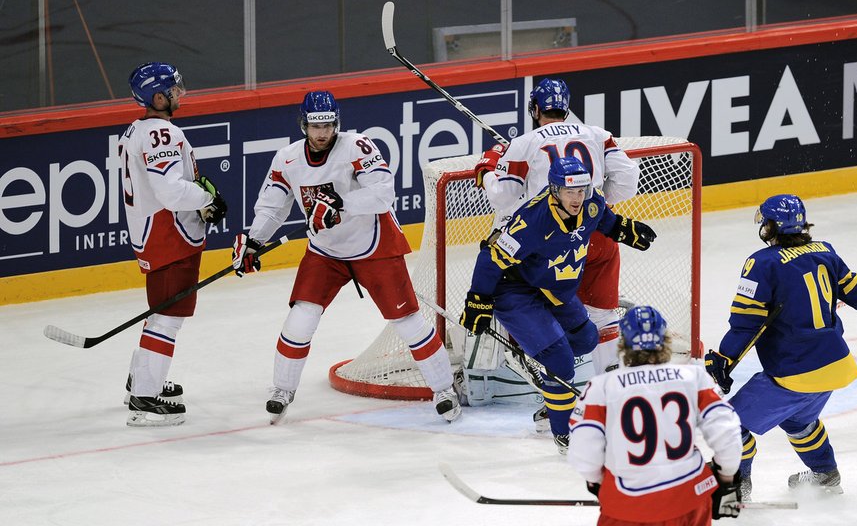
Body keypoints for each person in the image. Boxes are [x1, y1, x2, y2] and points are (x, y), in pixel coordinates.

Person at [234, 91, 460, 425]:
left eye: (327, 125)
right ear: (304, 124)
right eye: (315, 125)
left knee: (407, 322)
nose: (322, 132)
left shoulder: (357, 147)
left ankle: (443, 390)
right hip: (326, 250)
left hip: (373, 245)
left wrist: (341, 204)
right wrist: (254, 240)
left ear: (337, 123)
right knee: (301, 318)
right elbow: (272, 206)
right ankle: (282, 389)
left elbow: (383, 195)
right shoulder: (287, 159)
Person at [704, 194, 857, 499]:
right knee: (799, 421)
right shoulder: (826, 252)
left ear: (770, 227)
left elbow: (747, 322)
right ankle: (825, 474)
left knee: (730, 423)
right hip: (835, 366)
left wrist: (724, 357)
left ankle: (734, 487)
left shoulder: (761, 263)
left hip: (795, 371)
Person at [460, 156, 656, 453]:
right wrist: (478, 301)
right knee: (561, 360)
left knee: (587, 338)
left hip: (552, 288)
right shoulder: (532, 222)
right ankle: (565, 434)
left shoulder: (590, 205)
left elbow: (604, 219)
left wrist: (625, 229)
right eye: (569, 191)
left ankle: (544, 368)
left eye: (582, 190)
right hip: (514, 291)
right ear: (554, 190)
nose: (577, 198)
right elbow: (490, 258)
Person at [475, 77, 640, 405]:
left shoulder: (523, 143)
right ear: (566, 107)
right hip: (597, 237)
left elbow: (503, 198)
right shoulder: (597, 134)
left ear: (534, 109)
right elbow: (628, 182)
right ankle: (613, 399)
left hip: (548, 243)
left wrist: (487, 170)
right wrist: (591, 206)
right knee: (604, 317)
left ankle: (551, 392)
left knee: (535, 308)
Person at [118, 61, 227, 426]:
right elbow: (168, 190)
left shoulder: (136, 130)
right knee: (168, 318)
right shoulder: (159, 134)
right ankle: (143, 401)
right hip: (170, 236)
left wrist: (199, 193)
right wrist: (205, 199)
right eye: (175, 89)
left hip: (155, 234)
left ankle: (143, 378)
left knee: (160, 315)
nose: (181, 94)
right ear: (158, 96)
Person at [568, 305, 745, 526]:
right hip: (689, 500)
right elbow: (727, 431)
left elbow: (583, 450)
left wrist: (599, 483)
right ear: (665, 341)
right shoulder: (694, 376)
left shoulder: (601, 387)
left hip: (626, 508)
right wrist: (726, 479)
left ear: (623, 344)